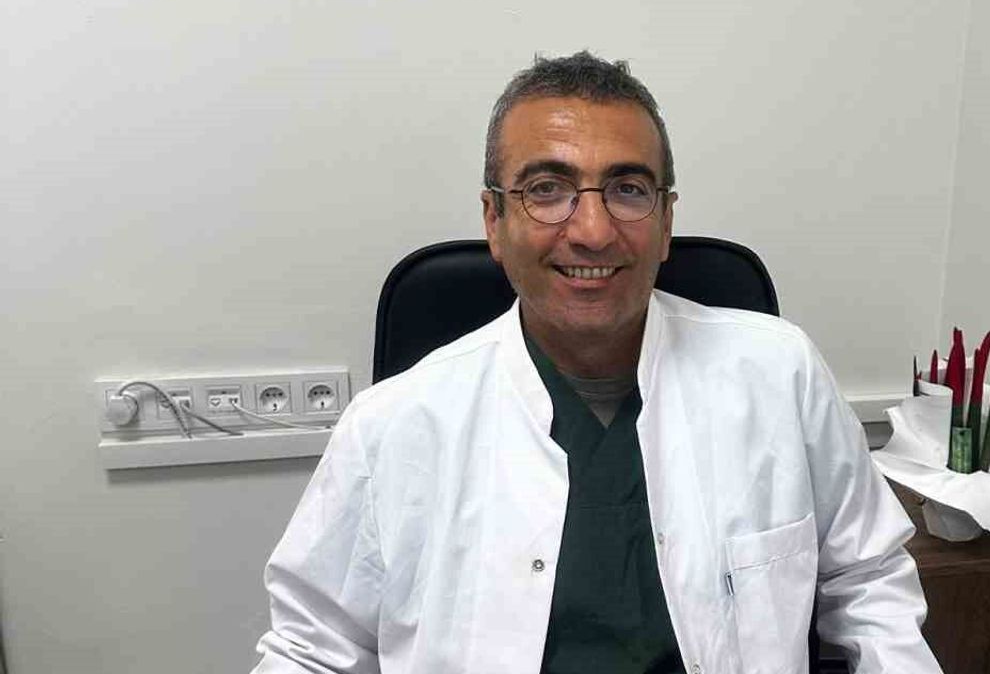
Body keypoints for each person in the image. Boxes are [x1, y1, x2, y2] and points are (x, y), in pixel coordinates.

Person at [251, 51, 942, 674]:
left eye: (628, 189)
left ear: (666, 222)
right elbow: (311, 650)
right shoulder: (392, 425)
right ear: (494, 221)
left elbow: (868, 581)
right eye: (546, 189)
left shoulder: (779, 373)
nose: (591, 230)